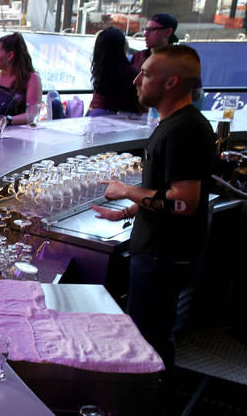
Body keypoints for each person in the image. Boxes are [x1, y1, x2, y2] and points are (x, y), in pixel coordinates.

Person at [92, 45, 214, 370]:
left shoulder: (183, 129)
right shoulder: (174, 123)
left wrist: (125, 189)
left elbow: (182, 202)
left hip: (164, 255)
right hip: (161, 250)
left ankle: (145, 413)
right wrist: (127, 210)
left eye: (145, 74)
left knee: (149, 341)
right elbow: (166, 191)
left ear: (171, 83)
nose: (136, 81)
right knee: (152, 334)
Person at [89, 26, 141, 116]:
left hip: (94, 113)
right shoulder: (130, 73)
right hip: (117, 119)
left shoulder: (100, 69)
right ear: (121, 46)